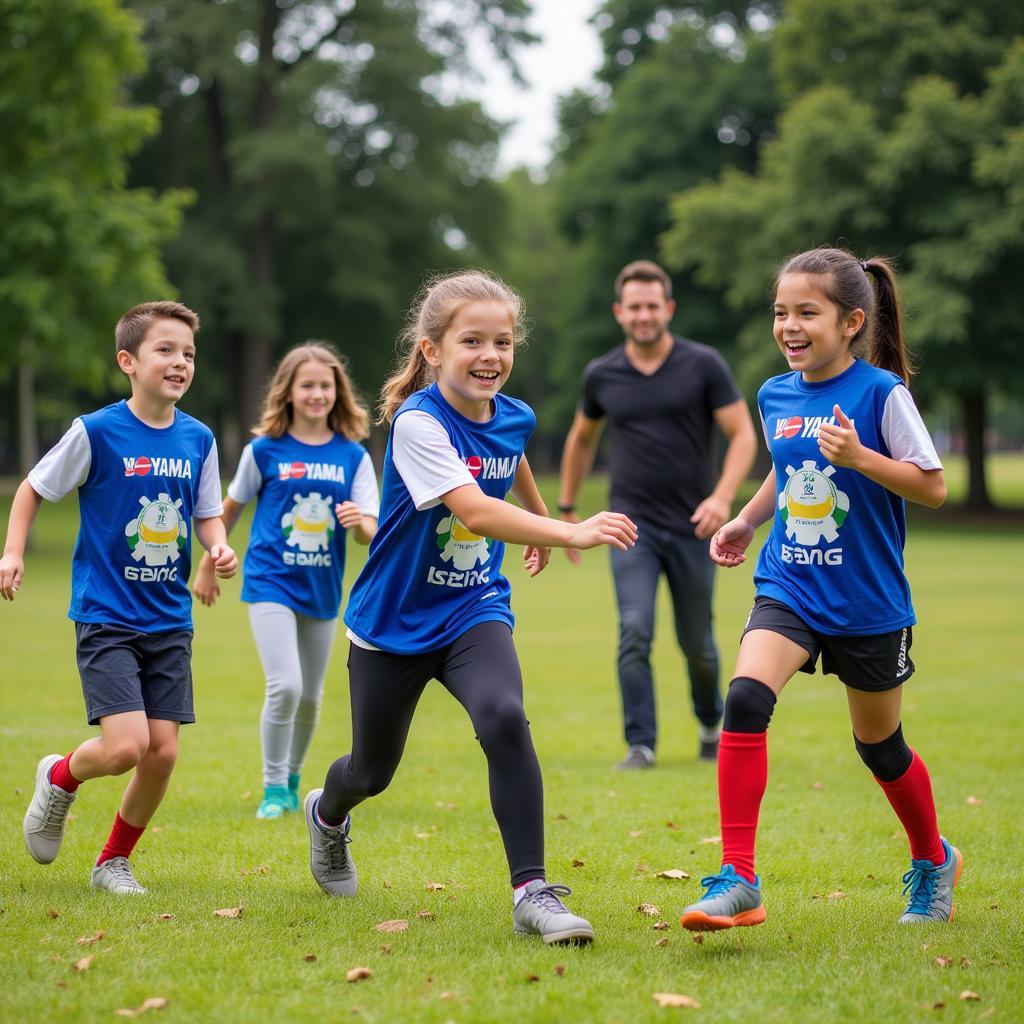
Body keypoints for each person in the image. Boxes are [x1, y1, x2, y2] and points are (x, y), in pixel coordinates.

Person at [302, 270, 638, 945]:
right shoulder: (417, 423)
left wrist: (540, 517)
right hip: (393, 621)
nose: (491, 356)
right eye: (473, 341)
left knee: (504, 715)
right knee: (371, 771)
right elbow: (477, 512)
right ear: (432, 350)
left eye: (504, 342)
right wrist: (568, 530)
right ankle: (328, 815)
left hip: (472, 607)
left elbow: (508, 459)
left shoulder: (513, 412)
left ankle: (532, 893)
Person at [680, 247, 960, 931]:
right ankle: (739, 876)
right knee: (745, 697)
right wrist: (748, 520)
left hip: (868, 601)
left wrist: (861, 456)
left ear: (852, 320)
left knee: (880, 748)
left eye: (808, 312)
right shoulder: (777, 394)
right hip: (791, 584)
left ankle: (933, 859)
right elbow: (786, 466)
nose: (790, 325)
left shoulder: (881, 395)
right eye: (781, 312)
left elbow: (933, 486)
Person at [0, 301, 237, 894]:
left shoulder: (199, 438)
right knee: (127, 746)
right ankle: (59, 776)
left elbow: (206, 514)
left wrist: (218, 548)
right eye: (166, 350)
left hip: (169, 619)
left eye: (188, 353)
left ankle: (113, 863)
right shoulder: (97, 431)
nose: (180, 362)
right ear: (128, 361)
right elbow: (32, 488)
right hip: (107, 614)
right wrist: (12, 551)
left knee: (161, 754)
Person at [558, 260, 756, 769]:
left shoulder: (703, 364)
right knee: (635, 629)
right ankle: (640, 743)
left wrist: (722, 496)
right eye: (634, 307)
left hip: (695, 527)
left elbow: (742, 434)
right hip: (631, 527)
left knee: (699, 645)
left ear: (667, 308)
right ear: (619, 312)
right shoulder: (602, 374)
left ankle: (711, 724)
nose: (643, 315)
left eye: (652, 305)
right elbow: (581, 440)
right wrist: (566, 510)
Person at [192, 343, 380, 819]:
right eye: (308, 385)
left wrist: (359, 521)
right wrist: (207, 564)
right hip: (269, 579)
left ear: (338, 392)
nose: (318, 394)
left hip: (322, 588)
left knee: (312, 697)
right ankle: (273, 787)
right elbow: (226, 509)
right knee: (286, 687)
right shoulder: (264, 451)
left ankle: (294, 778)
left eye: (325, 385)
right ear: (289, 392)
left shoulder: (353, 456)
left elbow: (369, 534)